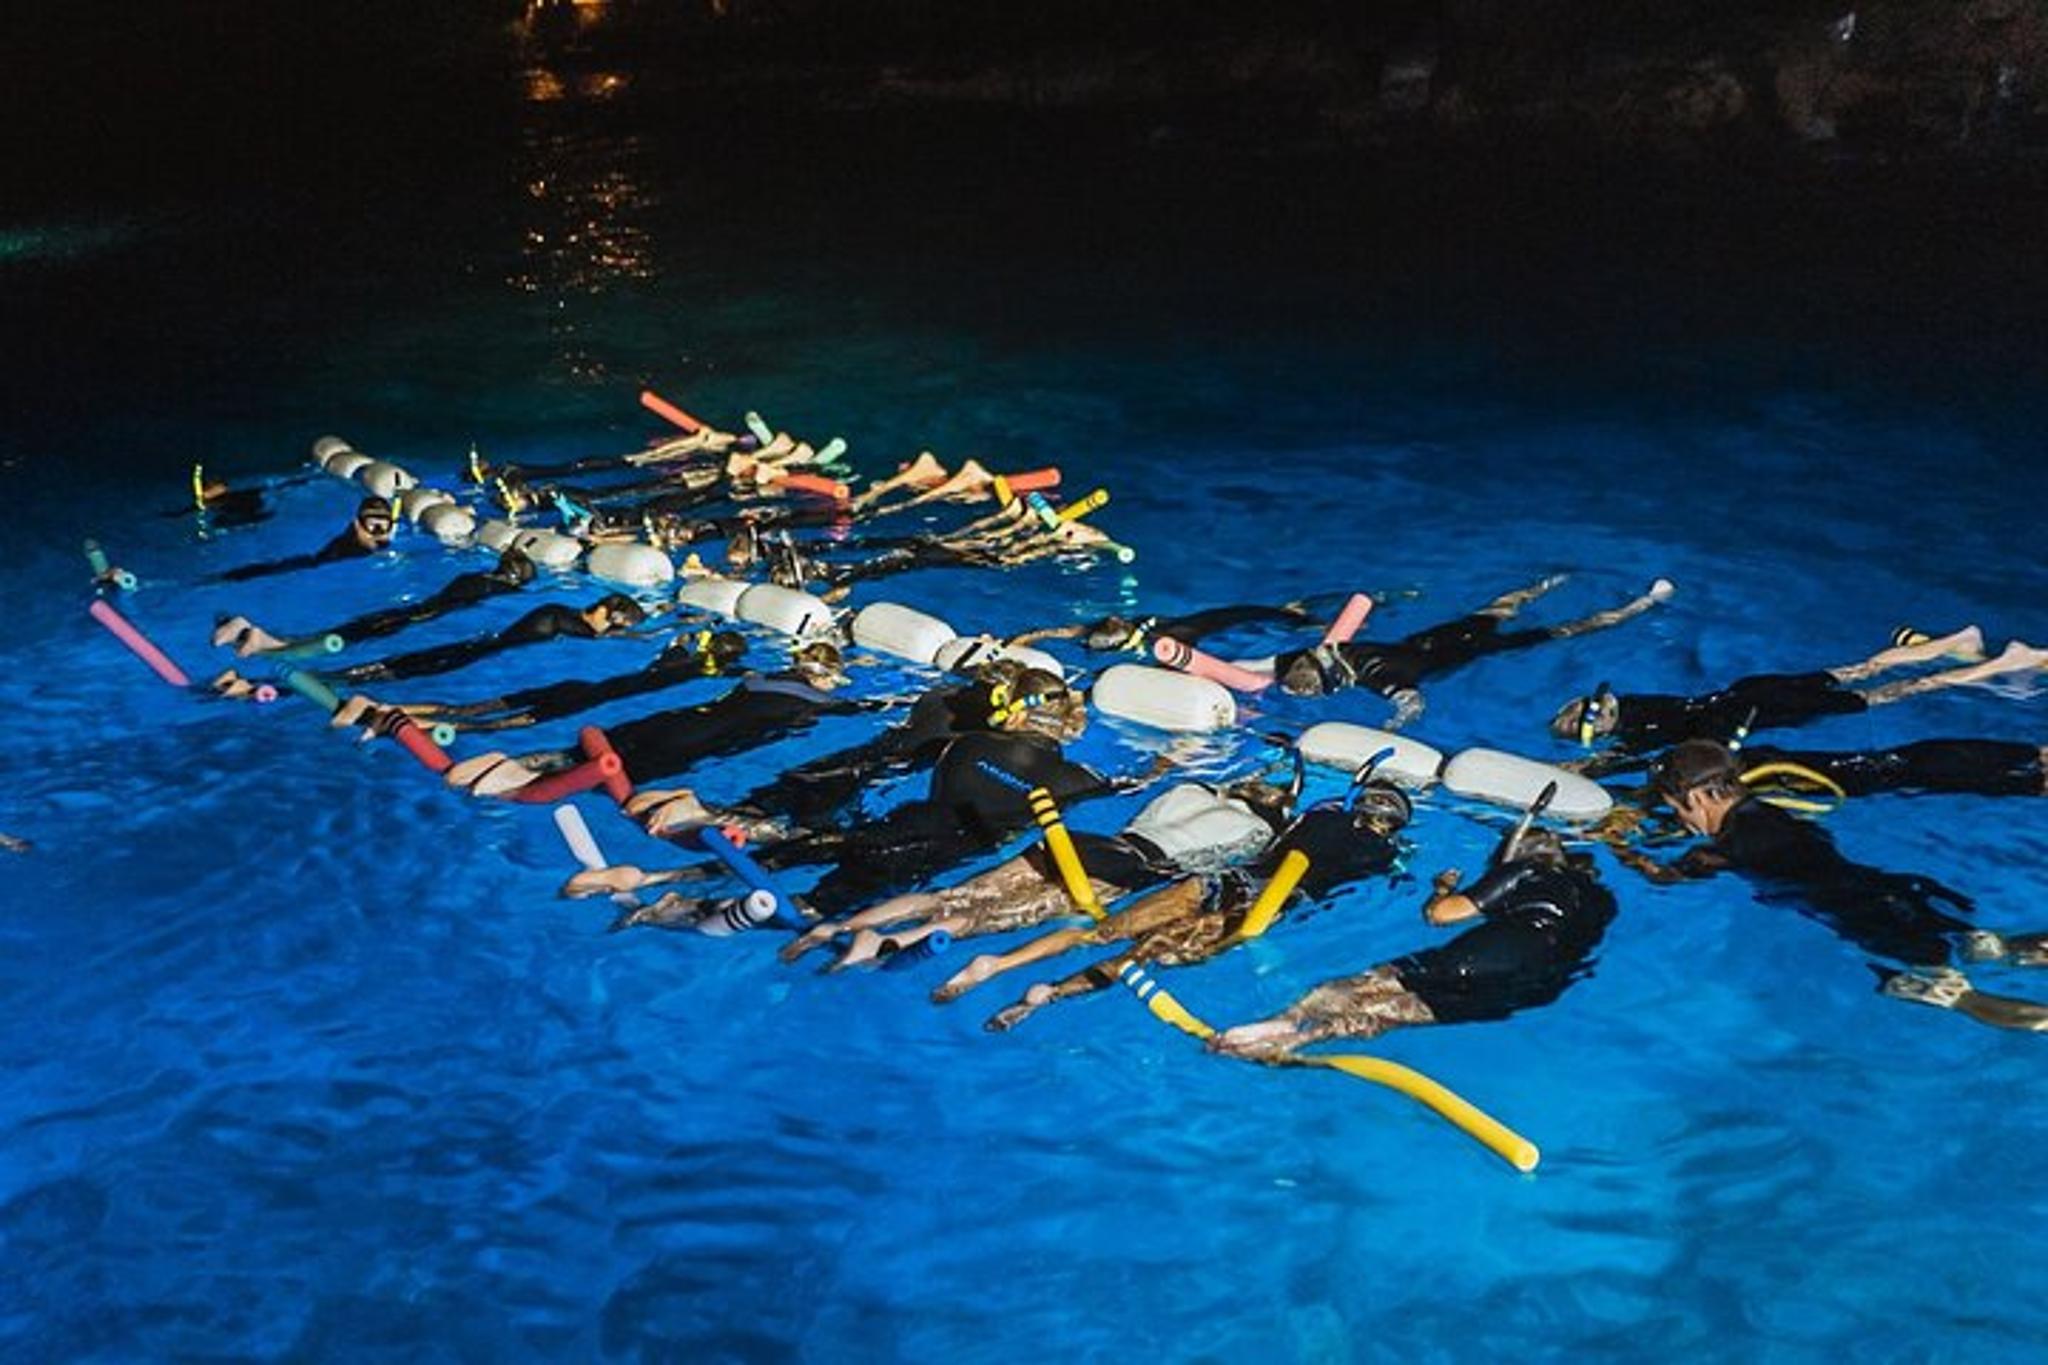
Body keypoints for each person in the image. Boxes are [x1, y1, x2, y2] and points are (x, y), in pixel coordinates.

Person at [1622, 739, 2048, 1030]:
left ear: (1696, 799)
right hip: (1888, 890)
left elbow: (1662, 877)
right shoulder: (1768, 810)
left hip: (1864, 918)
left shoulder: (1724, 848)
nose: (1682, 820)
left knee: (1951, 993)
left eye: (1677, 809)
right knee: (1990, 946)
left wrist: (1618, 846)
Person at [951, 780, 1418, 1032]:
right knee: (1136, 959)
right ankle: (1046, 995)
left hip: (1219, 882)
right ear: (1394, 824)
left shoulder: (1318, 816)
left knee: (1099, 931)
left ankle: (999, 961)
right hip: (1260, 909)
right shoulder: (1384, 855)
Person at [773, 773, 1298, 969]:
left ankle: (839, 927)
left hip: (1085, 843)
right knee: (982, 921)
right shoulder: (1255, 833)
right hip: (1123, 868)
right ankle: (882, 946)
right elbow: (1205, 872)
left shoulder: (1194, 792)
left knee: (950, 896)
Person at [1211, 827, 1616, 1058]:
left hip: (1480, 955)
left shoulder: (1527, 871)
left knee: (1372, 984)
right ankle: (1304, 1039)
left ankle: (1289, 1019)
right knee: (1394, 1013)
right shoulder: (1603, 901)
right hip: (1534, 989)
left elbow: (1440, 917)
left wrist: (1441, 890)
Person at [442, 640, 871, 796]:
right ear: (824, 677)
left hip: (672, 719)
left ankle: (506, 765)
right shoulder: (815, 701)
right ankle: (515, 789)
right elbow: (860, 707)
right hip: (688, 744)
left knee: (570, 753)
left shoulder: (758, 677)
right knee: (596, 782)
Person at [1554, 626, 2048, 756]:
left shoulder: (1642, 730)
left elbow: (1701, 743)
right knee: (1865, 667)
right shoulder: (1637, 704)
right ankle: (1959, 641)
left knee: (1904, 690)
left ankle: (2009, 662)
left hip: (1769, 705)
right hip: (1753, 688)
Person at [1268, 575, 1675, 728]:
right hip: (1440, 637)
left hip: (1473, 651)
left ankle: (1640, 606)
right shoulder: (1338, 648)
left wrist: (1392, 726)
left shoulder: (1380, 679)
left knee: (1567, 630)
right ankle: (1551, 581)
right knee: (1497, 608)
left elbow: (1414, 704)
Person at [330, 628, 747, 732]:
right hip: (577, 703)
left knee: (465, 710)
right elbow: (731, 673)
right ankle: (385, 722)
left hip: (572, 686)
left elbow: (678, 643)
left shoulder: (675, 658)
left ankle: (383, 706)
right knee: (482, 727)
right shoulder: (703, 669)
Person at [212, 548, 539, 656]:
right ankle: (262, 643)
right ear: (515, 579)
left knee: (333, 634)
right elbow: (518, 600)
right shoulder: (497, 589)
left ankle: (245, 628)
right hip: (403, 621)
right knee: (333, 644)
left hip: (400, 612)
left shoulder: (473, 576)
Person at [327, 592, 648, 684]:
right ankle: (337, 678)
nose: (613, 629)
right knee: (407, 668)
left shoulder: (561, 611)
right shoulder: (562, 618)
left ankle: (338, 677)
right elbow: (592, 635)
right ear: (605, 612)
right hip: (479, 650)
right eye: (615, 623)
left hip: (482, 646)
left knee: (406, 667)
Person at [1009, 602, 1315, 655]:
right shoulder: (1107, 626)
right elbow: (1060, 631)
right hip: (1206, 618)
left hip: (1210, 623)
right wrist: (1027, 639)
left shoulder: (1171, 639)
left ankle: (1293, 616)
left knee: (1244, 618)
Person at [215, 495, 394, 582]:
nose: (378, 532)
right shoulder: (343, 551)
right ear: (357, 525)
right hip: (314, 565)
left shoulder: (379, 543)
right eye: (372, 525)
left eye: (383, 526)